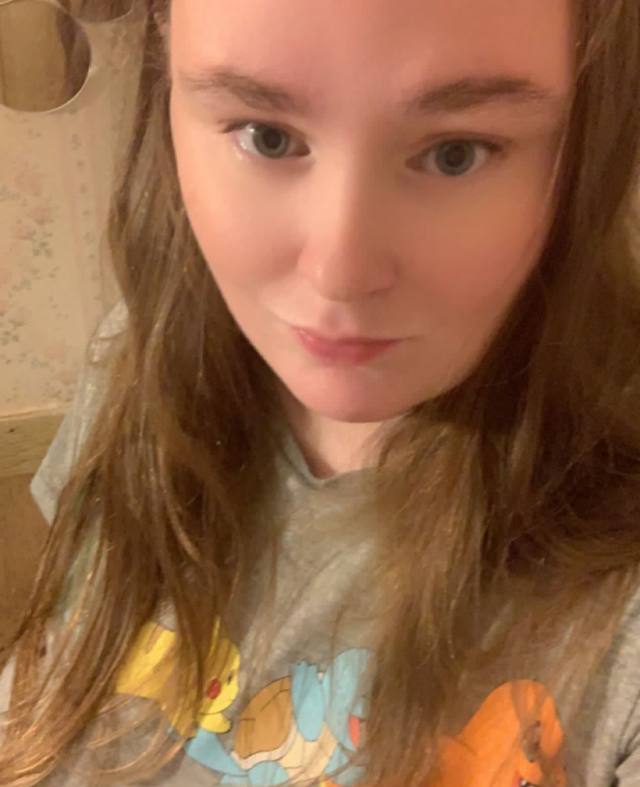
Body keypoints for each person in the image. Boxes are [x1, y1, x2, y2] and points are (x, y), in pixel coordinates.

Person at [2, 0, 640, 784]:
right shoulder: (139, 368)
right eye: (266, 136)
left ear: (587, 143)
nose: (339, 272)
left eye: (456, 153)